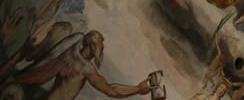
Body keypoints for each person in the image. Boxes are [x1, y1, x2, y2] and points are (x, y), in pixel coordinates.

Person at [12, 30, 152, 100]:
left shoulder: (70, 53)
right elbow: (110, 90)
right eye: (100, 45)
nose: (102, 48)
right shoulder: (86, 68)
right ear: (93, 47)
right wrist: (138, 89)